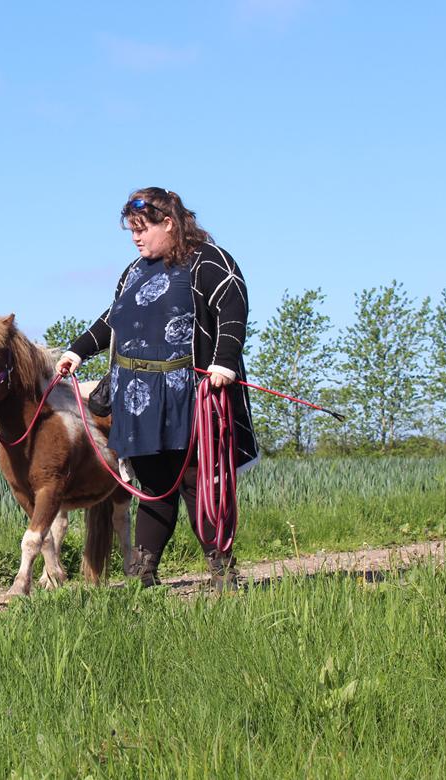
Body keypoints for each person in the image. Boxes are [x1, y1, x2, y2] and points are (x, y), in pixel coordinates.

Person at [56, 187, 258, 591]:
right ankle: (144, 573)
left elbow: (232, 310)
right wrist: (78, 351)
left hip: (192, 394)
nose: (136, 237)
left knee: (197, 481)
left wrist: (223, 362)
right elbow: (114, 318)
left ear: (169, 223)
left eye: (143, 228)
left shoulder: (210, 261)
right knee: (151, 486)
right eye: (132, 229)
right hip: (138, 398)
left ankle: (222, 570)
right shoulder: (134, 271)